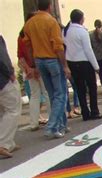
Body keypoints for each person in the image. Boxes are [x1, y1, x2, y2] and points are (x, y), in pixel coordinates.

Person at [23, 0, 69, 138]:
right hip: (52, 59)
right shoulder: (51, 21)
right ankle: (52, 126)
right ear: (49, 6)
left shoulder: (29, 23)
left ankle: (62, 124)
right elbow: (58, 46)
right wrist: (65, 65)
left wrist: (34, 64)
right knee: (60, 94)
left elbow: (28, 45)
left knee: (52, 94)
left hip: (39, 59)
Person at [63, 10, 102, 121]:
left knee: (80, 88)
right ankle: (94, 111)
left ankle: (85, 112)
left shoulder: (66, 31)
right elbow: (88, 50)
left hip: (72, 62)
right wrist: (96, 66)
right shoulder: (82, 32)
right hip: (84, 62)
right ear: (81, 19)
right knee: (92, 87)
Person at [17, 13, 50, 131]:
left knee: (34, 95)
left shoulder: (20, 36)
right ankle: (52, 119)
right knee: (46, 93)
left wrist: (28, 69)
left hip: (29, 70)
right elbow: (37, 51)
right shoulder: (34, 34)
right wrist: (36, 68)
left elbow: (20, 56)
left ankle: (33, 122)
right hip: (39, 67)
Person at [0, 34, 19, 158]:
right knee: (13, 109)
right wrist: (10, 72)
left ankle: (9, 142)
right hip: (3, 80)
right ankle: (3, 143)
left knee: (2, 111)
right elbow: (2, 58)